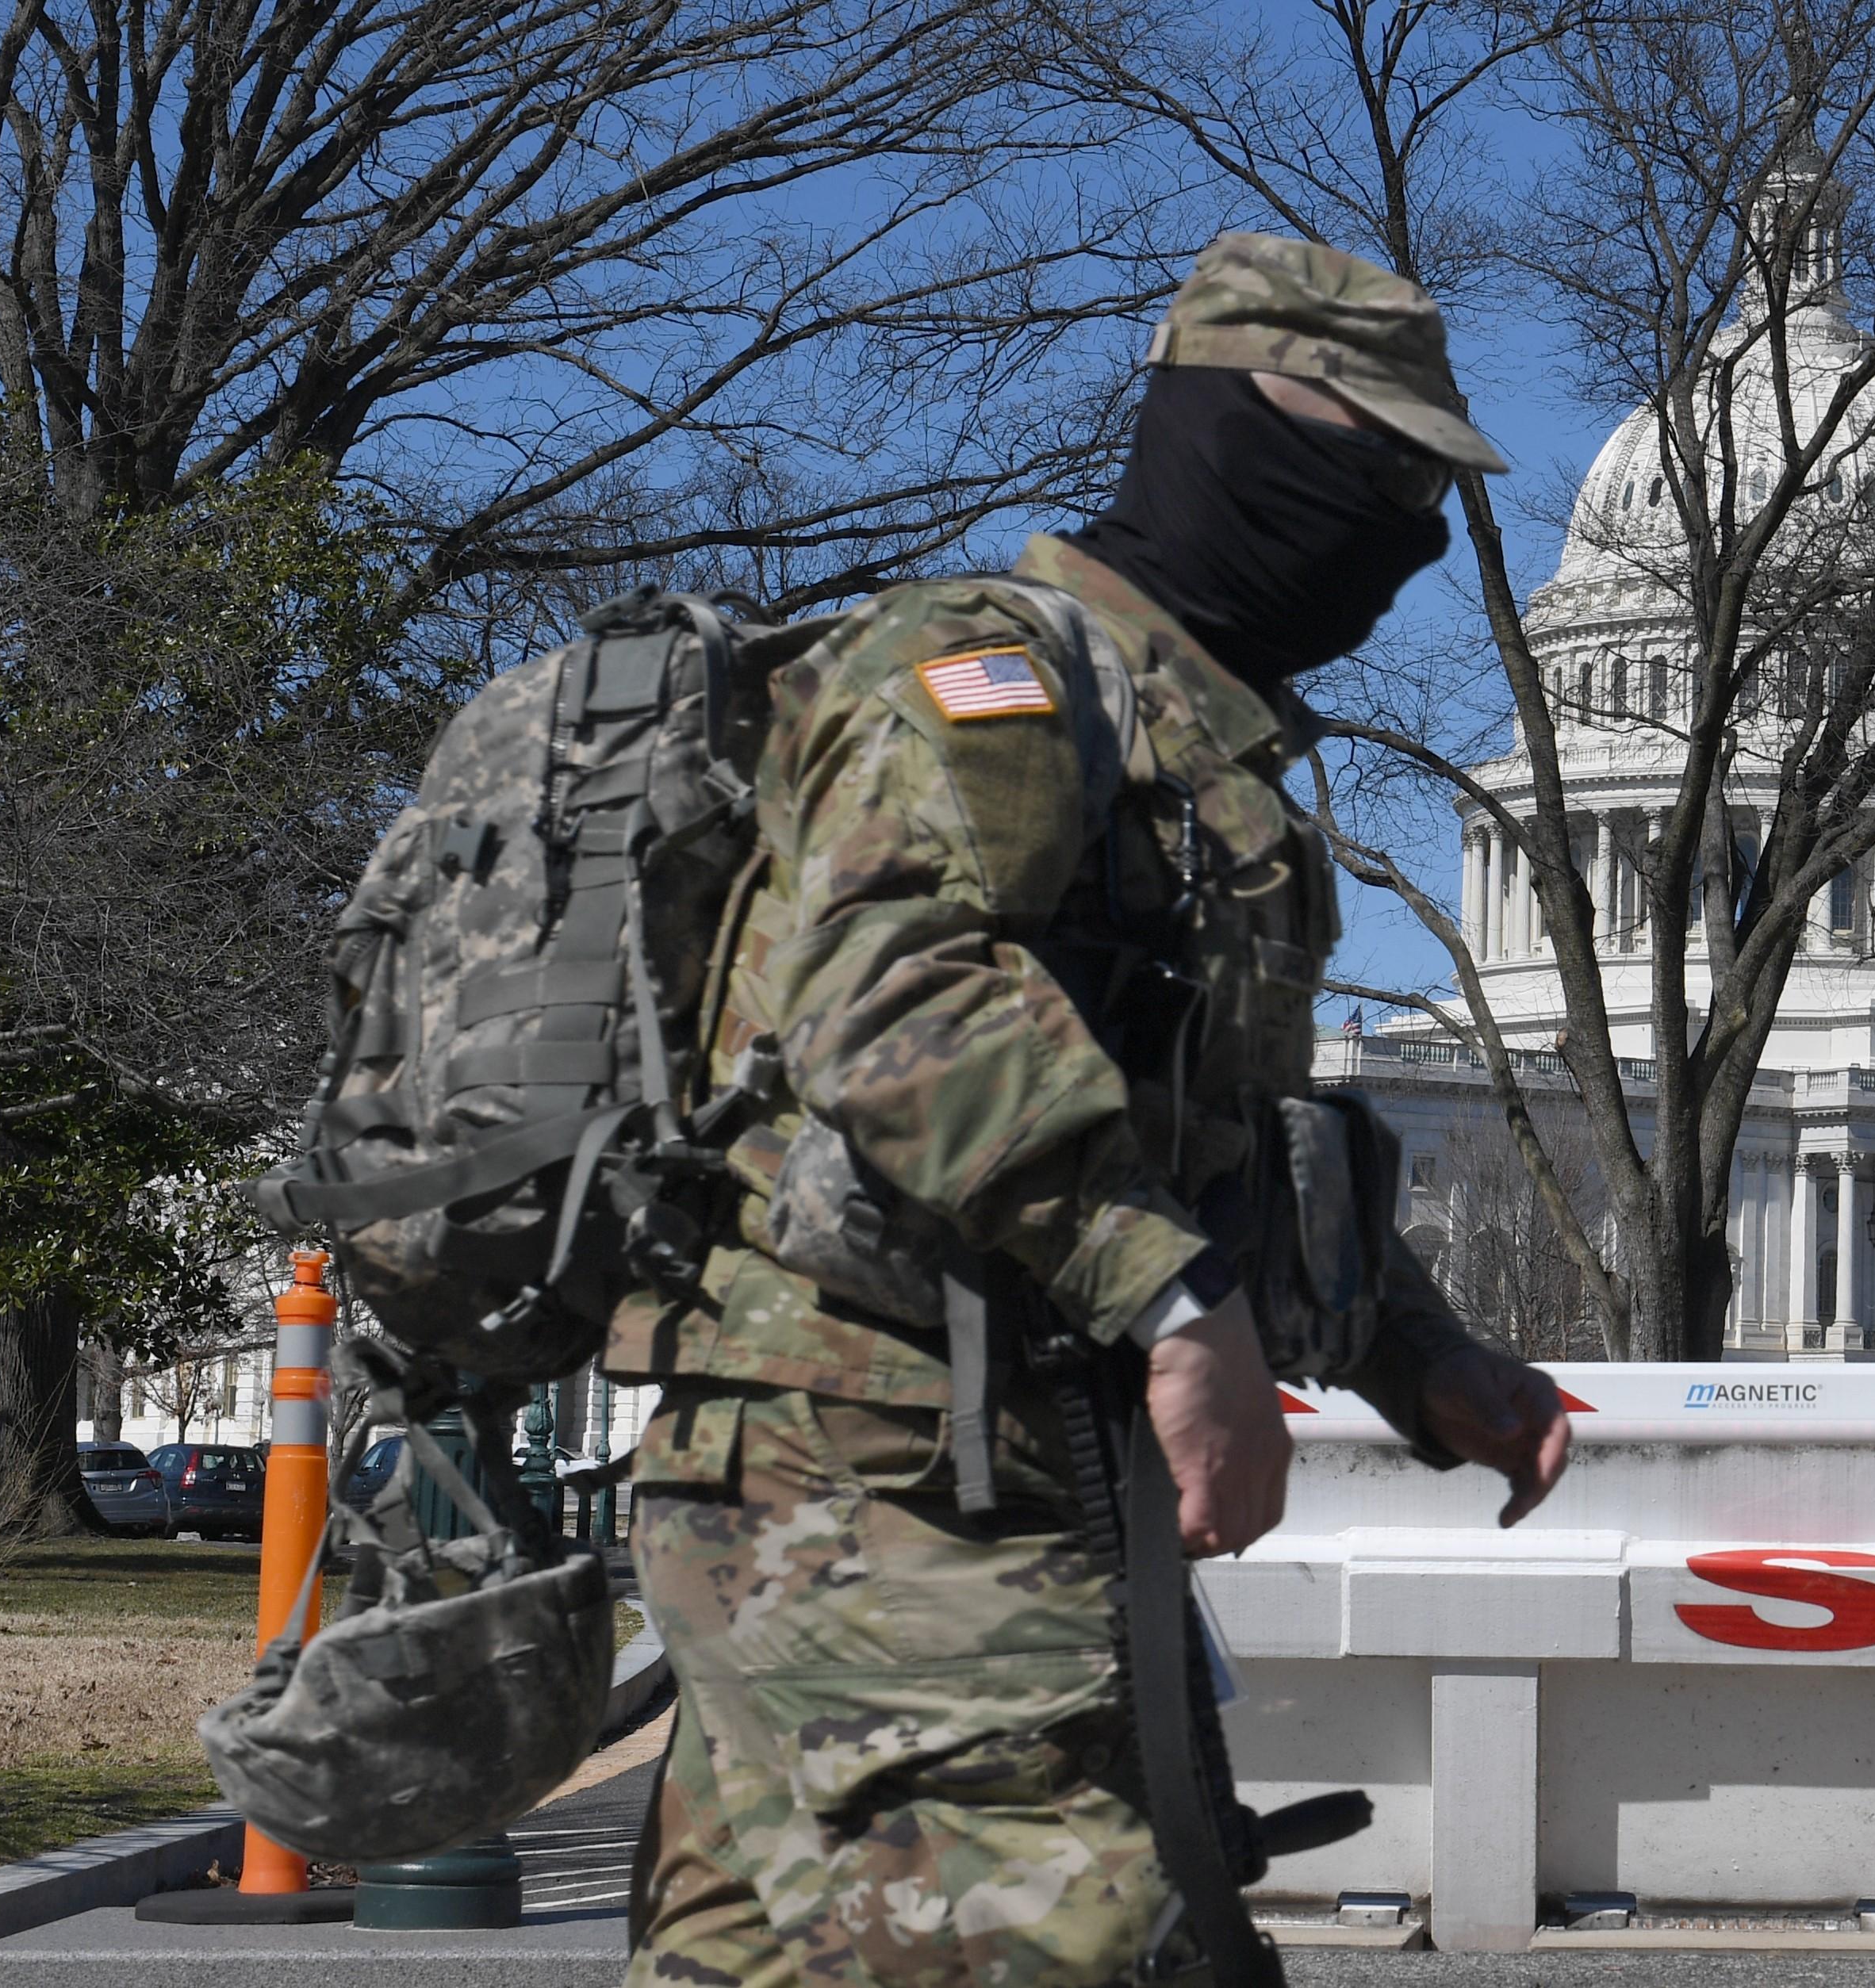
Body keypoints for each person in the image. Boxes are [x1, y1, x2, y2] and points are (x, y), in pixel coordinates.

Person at [608, 232, 1574, 1988]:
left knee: (767, 1961)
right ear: (1241, 432)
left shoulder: (1206, 758)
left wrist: (1421, 1360)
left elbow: (1227, 1147)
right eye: (1381, 472)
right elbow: (889, 999)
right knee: (1086, 1947)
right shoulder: (992, 682)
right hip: (868, 1463)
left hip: (984, 1461)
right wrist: (1173, 1304)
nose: (1408, 538)